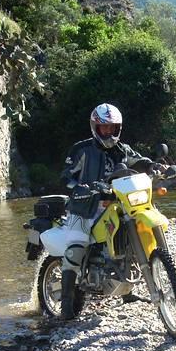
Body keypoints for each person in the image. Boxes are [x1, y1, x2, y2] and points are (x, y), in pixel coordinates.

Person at [59, 103, 161, 319]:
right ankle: (66, 306)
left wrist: (154, 166)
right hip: (85, 207)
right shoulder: (81, 149)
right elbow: (66, 175)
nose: (108, 132)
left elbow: (139, 161)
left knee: (128, 241)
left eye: (112, 128)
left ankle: (127, 291)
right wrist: (77, 187)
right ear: (95, 127)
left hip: (117, 203)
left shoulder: (122, 149)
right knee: (76, 248)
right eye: (104, 128)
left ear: (118, 129)